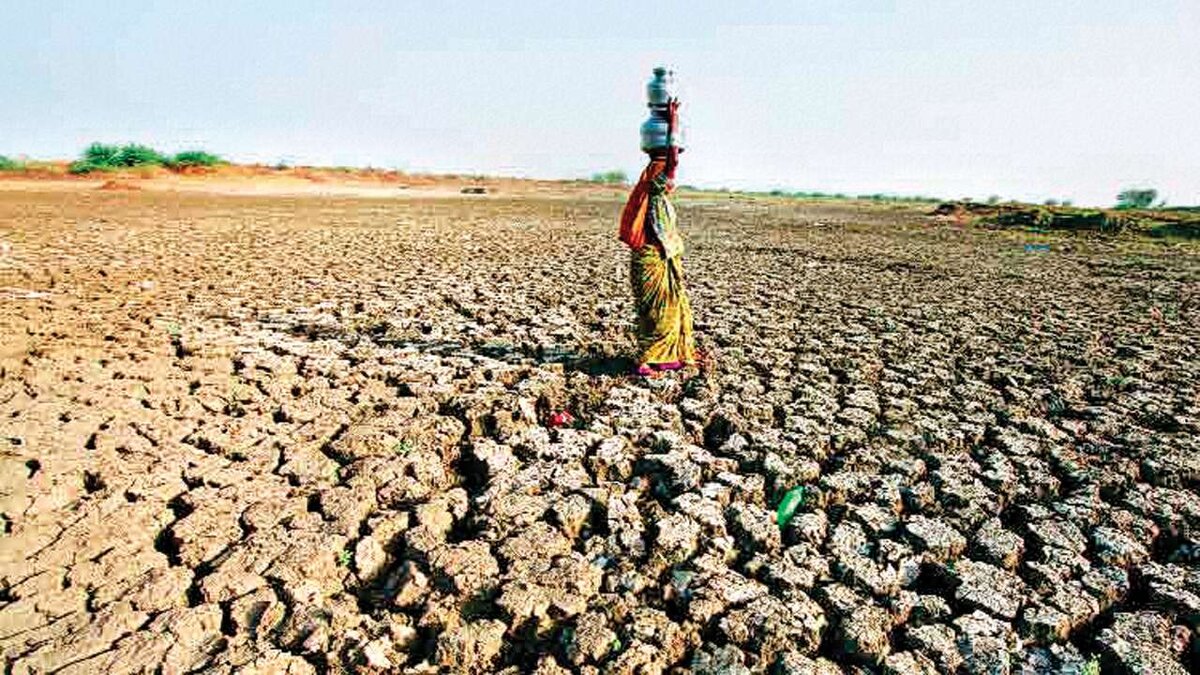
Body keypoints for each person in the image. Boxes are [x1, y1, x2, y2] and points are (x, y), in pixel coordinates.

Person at [618, 98, 697, 376]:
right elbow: (673, 158)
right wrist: (674, 119)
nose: (674, 177)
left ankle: (665, 356)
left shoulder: (650, 183)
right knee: (660, 310)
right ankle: (648, 359)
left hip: (654, 256)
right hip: (652, 256)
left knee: (664, 309)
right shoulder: (658, 178)